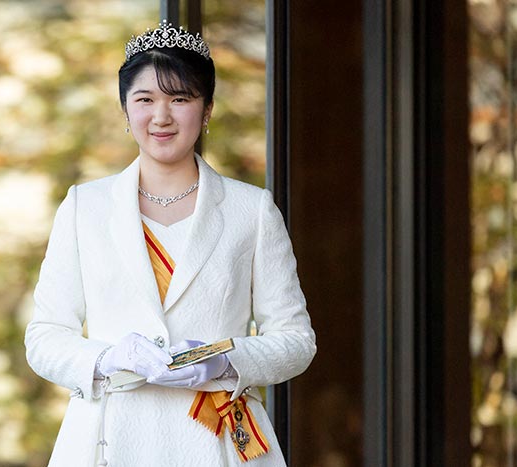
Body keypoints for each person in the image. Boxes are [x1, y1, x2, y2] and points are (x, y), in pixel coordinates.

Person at [25, 21, 316, 467]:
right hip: (109, 438)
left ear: (207, 109)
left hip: (215, 436)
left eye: (180, 99)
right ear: (125, 110)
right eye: (145, 100)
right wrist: (109, 357)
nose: (161, 116)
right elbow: (45, 337)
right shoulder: (86, 206)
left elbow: (296, 340)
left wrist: (225, 361)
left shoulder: (250, 209)